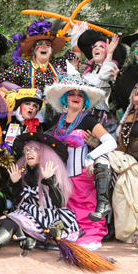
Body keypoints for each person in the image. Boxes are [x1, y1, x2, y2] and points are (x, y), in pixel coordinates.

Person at [0, 133, 79, 260]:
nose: (28, 153)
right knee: (4, 220)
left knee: (12, 222)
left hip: (48, 218)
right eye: (26, 150)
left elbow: (59, 203)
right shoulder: (27, 174)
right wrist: (16, 183)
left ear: (42, 154)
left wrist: (50, 180)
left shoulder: (50, 171)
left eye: (33, 149)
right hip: (30, 214)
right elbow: (20, 201)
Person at [44, 75, 118, 250]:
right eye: (72, 94)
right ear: (65, 99)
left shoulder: (88, 120)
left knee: (86, 216)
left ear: (85, 100)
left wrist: (91, 156)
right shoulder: (57, 120)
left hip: (81, 179)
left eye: (80, 95)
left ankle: (89, 236)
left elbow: (111, 142)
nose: (76, 97)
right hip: (60, 179)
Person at [0, 19, 78, 95]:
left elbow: (76, 55)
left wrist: (77, 33)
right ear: (33, 50)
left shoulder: (58, 65)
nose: (43, 47)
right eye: (40, 44)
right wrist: (22, 91)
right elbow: (0, 80)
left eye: (47, 45)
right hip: (31, 106)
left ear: (51, 51)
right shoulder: (24, 66)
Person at [71, 24, 127, 134]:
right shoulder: (89, 73)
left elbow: (104, 75)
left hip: (100, 116)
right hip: (83, 114)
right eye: (95, 46)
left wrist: (110, 53)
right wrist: (76, 72)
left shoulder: (110, 67)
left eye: (101, 47)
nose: (96, 48)